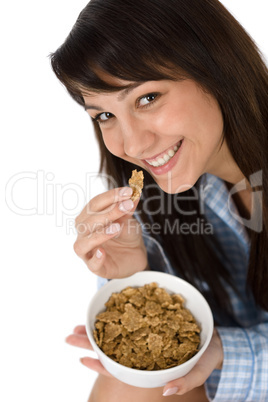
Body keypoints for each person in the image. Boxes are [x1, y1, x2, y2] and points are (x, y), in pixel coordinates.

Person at [50, 0, 268, 400]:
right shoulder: (181, 191)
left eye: (147, 98)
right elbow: (180, 326)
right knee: (132, 378)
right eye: (103, 115)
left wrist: (230, 352)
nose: (131, 144)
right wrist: (132, 276)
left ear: (217, 68)